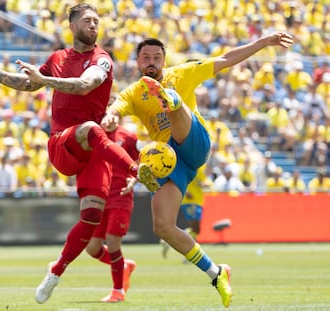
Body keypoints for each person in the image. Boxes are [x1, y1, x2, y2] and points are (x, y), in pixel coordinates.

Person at [0, 3, 158, 305]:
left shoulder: (102, 60)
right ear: (72, 25)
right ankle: (138, 171)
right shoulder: (57, 58)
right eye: (87, 20)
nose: (94, 25)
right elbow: (29, 84)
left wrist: (46, 82)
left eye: (97, 20)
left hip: (95, 151)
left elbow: (85, 85)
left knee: (92, 216)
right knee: (93, 128)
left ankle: (55, 271)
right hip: (64, 143)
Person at [101, 32, 293, 308]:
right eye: (146, 58)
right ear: (138, 62)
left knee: (172, 110)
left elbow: (226, 59)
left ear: (164, 60)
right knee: (163, 226)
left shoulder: (182, 73)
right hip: (173, 162)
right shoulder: (133, 92)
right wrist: (111, 116)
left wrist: (264, 42)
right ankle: (217, 273)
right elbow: (117, 108)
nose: (152, 61)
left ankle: (172, 101)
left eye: (157, 57)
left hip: (194, 140)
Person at [85, 123, 138, 303]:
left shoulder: (128, 136)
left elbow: (139, 162)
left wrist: (133, 180)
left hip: (120, 196)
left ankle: (118, 291)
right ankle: (123, 265)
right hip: (100, 197)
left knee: (113, 241)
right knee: (92, 248)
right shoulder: (93, 134)